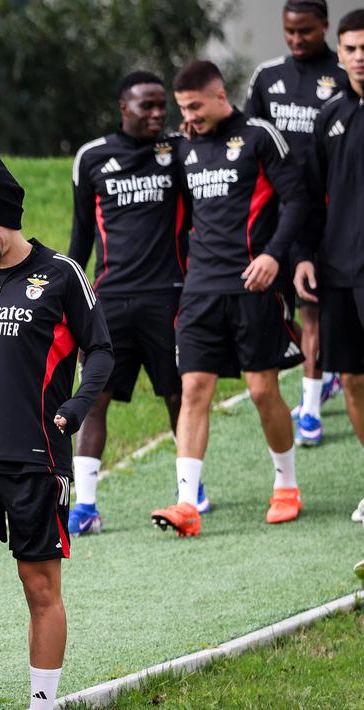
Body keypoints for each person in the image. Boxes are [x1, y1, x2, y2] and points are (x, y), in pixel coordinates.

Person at [0, 150, 113, 710]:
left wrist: (78, 406)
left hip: (37, 455)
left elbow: (101, 350)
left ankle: (42, 702)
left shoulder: (62, 275)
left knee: (39, 587)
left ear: (11, 218)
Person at [151, 60, 308, 537]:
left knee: (262, 390)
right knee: (194, 390)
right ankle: (186, 503)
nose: (188, 116)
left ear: (220, 96)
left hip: (254, 286)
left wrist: (274, 256)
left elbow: (297, 200)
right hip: (200, 291)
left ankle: (287, 486)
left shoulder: (260, 136)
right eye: (182, 109)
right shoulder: (182, 146)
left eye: (195, 106)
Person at [67, 71, 192, 535]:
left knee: (178, 395)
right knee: (94, 398)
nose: (158, 114)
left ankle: (190, 490)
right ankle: (85, 506)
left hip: (169, 297)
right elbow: (81, 234)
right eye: (147, 106)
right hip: (110, 301)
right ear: (124, 107)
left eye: (163, 106)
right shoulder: (92, 157)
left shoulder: (180, 151)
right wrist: (67, 295)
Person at [244, 0, 350, 445]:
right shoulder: (267, 77)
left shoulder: (344, 75)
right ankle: (321, 376)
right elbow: (247, 134)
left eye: (305, 31)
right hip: (278, 214)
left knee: (312, 307)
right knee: (286, 304)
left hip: (327, 213)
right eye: (289, 31)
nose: (296, 39)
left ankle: (310, 410)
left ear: (324, 26)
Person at [294, 9, 364, 523]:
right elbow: (309, 198)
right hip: (339, 271)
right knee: (355, 380)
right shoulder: (330, 117)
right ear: (340, 55)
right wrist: (301, 256)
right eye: (352, 49)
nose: (360, 58)